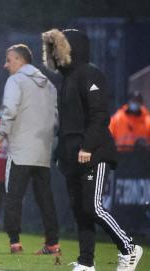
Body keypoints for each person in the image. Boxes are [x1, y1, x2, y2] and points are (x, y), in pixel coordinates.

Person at [42, 28, 143, 271]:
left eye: (59, 46)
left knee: (93, 207)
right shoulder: (65, 78)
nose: (54, 52)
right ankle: (86, 262)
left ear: (72, 47)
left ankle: (129, 247)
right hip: (71, 155)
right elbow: (66, 123)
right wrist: (59, 153)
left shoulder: (90, 73)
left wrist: (87, 146)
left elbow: (99, 116)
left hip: (94, 152)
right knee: (80, 210)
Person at [0, 44, 61, 256]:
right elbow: (56, 118)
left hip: (21, 150)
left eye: (9, 60)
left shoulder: (15, 80)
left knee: (14, 197)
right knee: (45, 199)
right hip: (42, 150)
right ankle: (52, 244)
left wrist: (0, 134)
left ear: (21, 60)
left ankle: (15, 242)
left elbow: (10, 109)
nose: (6, 65)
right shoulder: (49, 85)